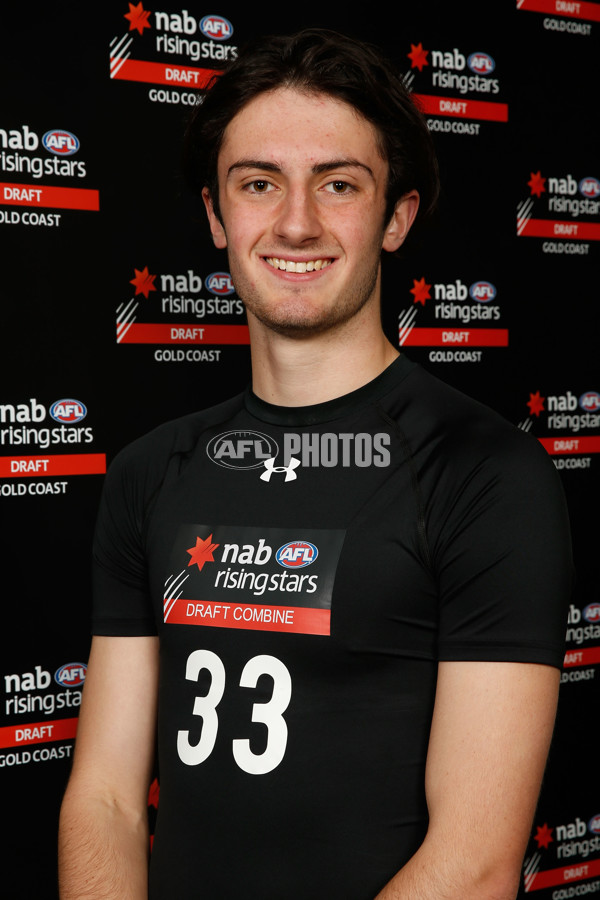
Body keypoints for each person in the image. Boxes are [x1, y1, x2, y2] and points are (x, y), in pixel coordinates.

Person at [58, 28, 572, 900]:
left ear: (396, 217)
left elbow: (478, 864)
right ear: (218, 215)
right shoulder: (150, 471)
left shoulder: (485, 473)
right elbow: (104, 798)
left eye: (338, 185)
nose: (296, 222)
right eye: (259, 184)